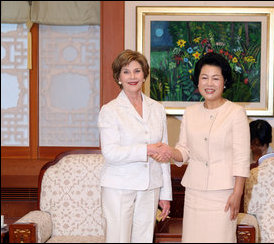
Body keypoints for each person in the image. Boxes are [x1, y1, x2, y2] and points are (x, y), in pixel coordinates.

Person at [164, 52, 250, 242]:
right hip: (195, 191)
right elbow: (184, 151)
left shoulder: (236, 113)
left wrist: (237, 193)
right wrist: (169, 151)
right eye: (204, 78)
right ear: (197, 81)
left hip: (223, 193)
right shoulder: (190, 113)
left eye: (215, 78)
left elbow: (242, 157)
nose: (209, 84)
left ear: (224, 81)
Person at [97, 49, 172, 243]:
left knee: (144, 239)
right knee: (118, 239)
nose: (132, 76)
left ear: (144, 75)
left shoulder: (157, 109)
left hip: (151, 186)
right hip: (119, 187)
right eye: (126, 71)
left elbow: (164, 154)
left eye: (137, 71)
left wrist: (166, 194)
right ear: (119, 77)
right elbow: (110, 152)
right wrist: (147, 149)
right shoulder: (110, 110)